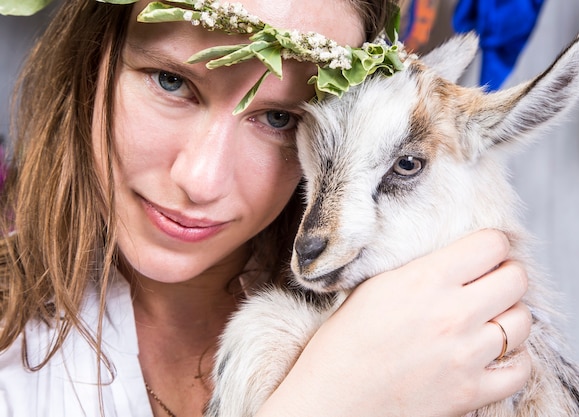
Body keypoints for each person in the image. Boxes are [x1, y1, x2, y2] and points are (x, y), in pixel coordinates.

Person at [0, 0, 532, 416]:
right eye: (172, 82)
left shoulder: (442, 347)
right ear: (94, 61)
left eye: (280, 118)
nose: (201, 180)